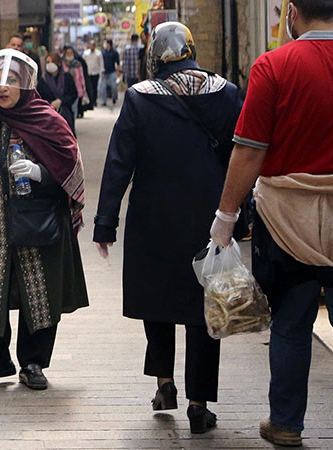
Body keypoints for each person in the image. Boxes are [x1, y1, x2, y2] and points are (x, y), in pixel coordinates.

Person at [211, 1, 333, 448]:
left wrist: (226, 216)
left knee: (292, 320)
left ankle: (286, 424)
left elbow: (250, 149)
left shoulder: (273, 66)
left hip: (288, 219)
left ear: (292, 12)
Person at [94, 22, 242, 435]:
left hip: (153, 219)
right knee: (203, 310)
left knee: (157, 302)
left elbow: (119, 163)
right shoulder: (227, 93)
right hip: (208, 220)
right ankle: (199, 403)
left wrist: (106, 222)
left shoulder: (140, 98)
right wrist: (240, 217)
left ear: (155, 57)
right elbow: (241, 157)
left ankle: (164, 385)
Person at [0, 49, 89, 390]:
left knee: (38, 293)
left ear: (26, 84)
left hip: (39, 223)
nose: (3, 87)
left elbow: (71, 170)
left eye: (11, 80)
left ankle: (33, 363)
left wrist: (41, 172)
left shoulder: (48, 121)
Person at [43, 53, 78, 134]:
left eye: (52, 62)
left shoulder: (67, 77)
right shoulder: (43, 80)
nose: (49, 65)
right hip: (48, 116)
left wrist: (61, 101)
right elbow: (39, 97)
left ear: (58, 63)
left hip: (65, 114)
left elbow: (73, 94)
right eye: (47, 62)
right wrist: (50, 103)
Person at [61, 46, 86, 123]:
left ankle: (72, 123)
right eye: (67, 53)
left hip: (76, 89)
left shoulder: (77, 64)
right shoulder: (62, 64)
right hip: (65, 90)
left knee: (74, 108)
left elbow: (81, 76)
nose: (69, 54)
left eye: (71, 53)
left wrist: (83, 86)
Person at [99, 39, 120, 107]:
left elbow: (117, 62)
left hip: (112, 72)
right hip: (104, 72)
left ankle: (114, 97)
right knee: (103, 87)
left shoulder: (114, 52)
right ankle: (104, 101)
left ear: (109, 44)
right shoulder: (103, 52)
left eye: (106, 43)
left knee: (114, 86)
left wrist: (118, 71)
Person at [83, 40, 102, 108]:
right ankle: (90, 101)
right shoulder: (86, 53)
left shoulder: (98, 53)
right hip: (88, 73)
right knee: (89, 88)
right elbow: (83, 62)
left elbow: (101, 63)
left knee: (94, 87)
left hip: (95, 73)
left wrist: (102, 71)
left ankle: (94, 101)